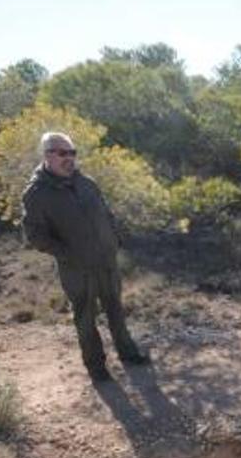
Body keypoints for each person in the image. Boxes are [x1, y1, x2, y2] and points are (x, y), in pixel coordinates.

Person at [21, 132, 149, 381]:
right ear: (47, 155)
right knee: (85, 317)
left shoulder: (87, 183)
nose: (69, 158)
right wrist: (69, 254)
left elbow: (106, 213)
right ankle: (96, 368)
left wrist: (115, 239)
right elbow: (35, 235)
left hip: (106, 261)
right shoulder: (36, 193)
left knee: (115, 309)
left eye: (72, 152)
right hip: (77, 268)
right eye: (62, 153)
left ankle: (128, 353)